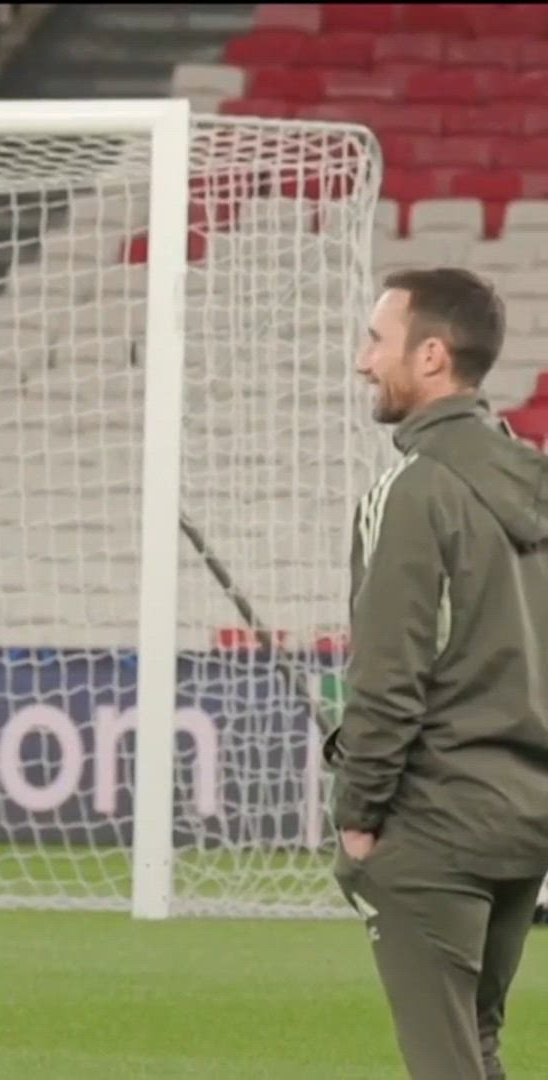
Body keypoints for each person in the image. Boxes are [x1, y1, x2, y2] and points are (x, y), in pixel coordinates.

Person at [327, 267, 547, 1080]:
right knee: (477, 1047)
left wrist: (358, 816)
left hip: (438, 820)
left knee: (447, 1061)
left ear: (430, 356)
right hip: (527, 816)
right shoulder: (534, 481)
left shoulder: (411, 493)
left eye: (376, 341)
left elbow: (389, 677)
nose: (363, 361)